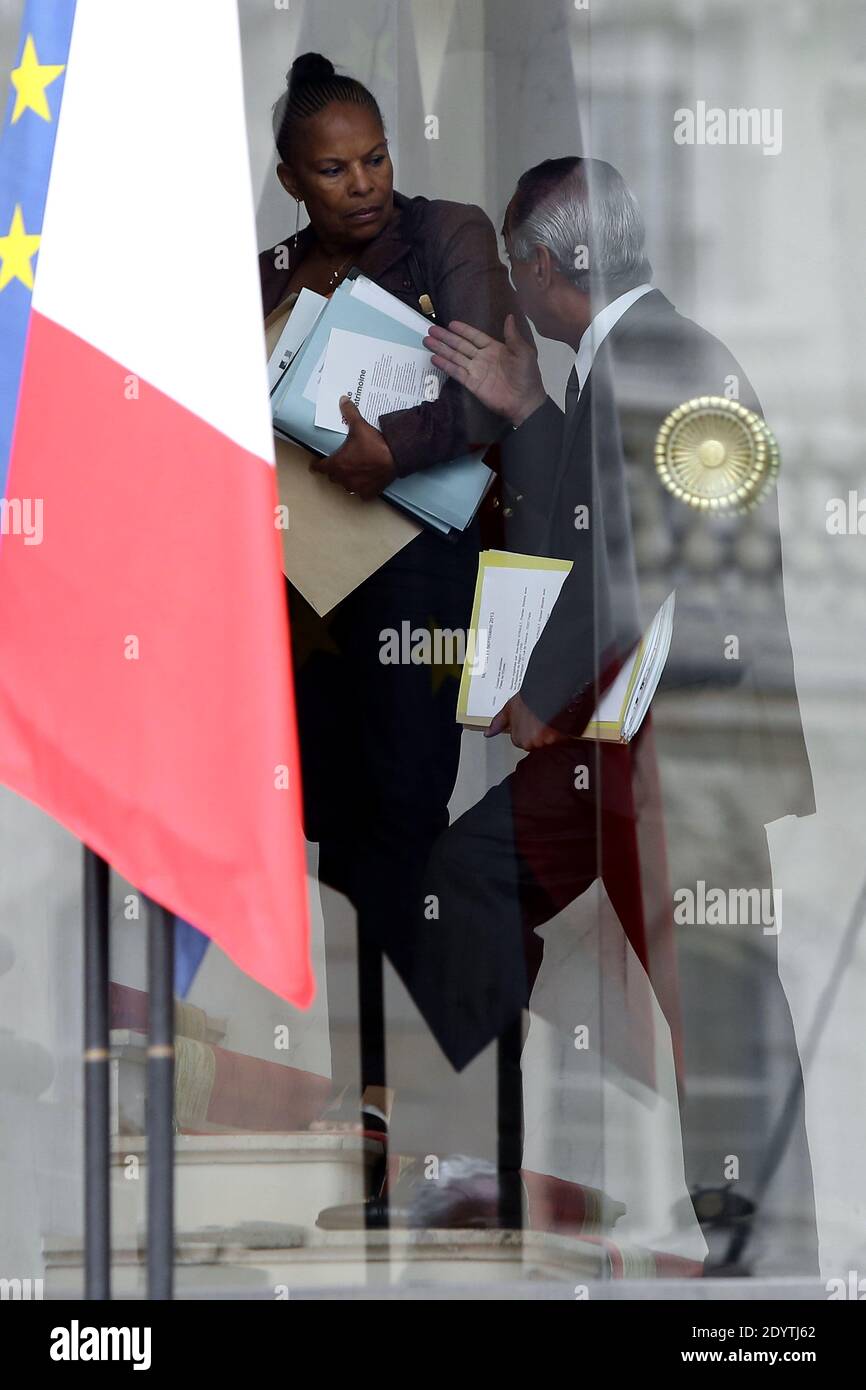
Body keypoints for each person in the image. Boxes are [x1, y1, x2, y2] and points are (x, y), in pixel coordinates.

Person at [396, 157, 817, 1271]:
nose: (512, 292)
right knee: (473, 875)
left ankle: (759, 1244)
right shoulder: (636, 356)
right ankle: (489, 1164)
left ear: (542, 268)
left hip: (681, 747)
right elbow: (593, 529)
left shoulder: (655, 357)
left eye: (512, 268)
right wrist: (530, 409)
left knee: (720, 991)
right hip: (623, 738)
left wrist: (532, 699)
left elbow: (624, 571)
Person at [258, 54, 518, 1150]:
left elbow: (496, 388)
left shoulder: (449, 234)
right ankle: (367, 1088)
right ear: (291, 178)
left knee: (407, 827)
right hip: (308, 598)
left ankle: (447, 1098)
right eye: (333, 167)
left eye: (374, 157)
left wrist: (387, 453)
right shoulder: (266, 269)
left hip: (418, 577)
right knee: (334, 837)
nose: (362, 183)